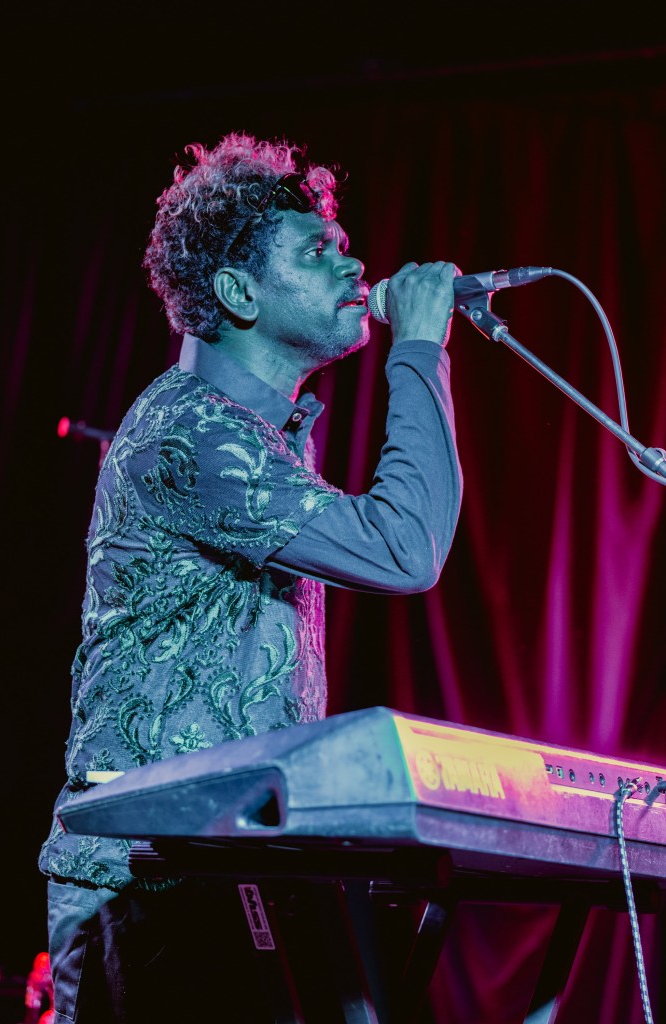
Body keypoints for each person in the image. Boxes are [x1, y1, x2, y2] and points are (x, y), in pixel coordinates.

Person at [38, 131, 463, 1022]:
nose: (354, 266)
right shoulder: (192, 430)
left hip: (217, 868)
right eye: (317, 251)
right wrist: (420, 349)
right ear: (238, 293)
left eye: (345, 245)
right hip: (145, 886)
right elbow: (403, 549)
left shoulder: (256, 434)